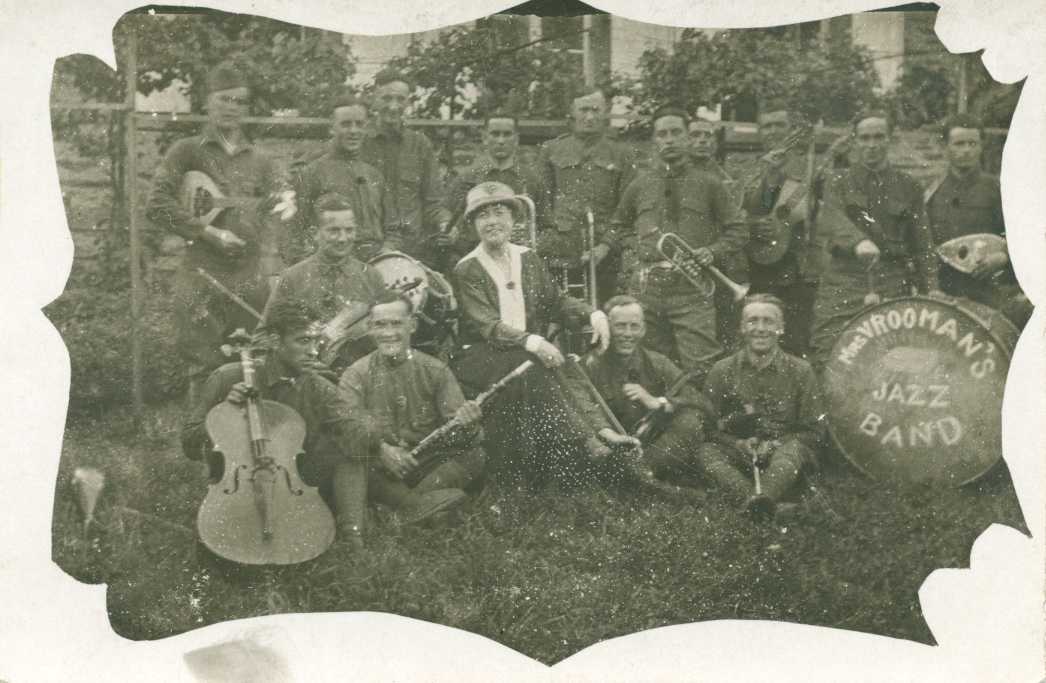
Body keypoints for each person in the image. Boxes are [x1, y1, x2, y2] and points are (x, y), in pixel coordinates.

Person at [451, 181, 613, 487]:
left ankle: (594, 440)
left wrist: (592, 313)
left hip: (523, 354)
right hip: (480, 355)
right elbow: (489, 326)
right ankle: (589, 439)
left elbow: (555, 301)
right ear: (473, 225)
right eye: (482, 216)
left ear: (513, 219)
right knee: (533, 364)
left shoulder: (527, 258)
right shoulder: (468, 268)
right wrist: (535, 342)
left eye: (499, 212)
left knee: (544, 365)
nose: (492, 222)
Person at [146, 62, 288, 398]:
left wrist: (271, 250)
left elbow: (280, 213)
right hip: (201, 275)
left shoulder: (263, 161)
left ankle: (247, 445)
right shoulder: (186, 152)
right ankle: (204, 443)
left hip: (249, 276)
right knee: (203, 366)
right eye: (224, 99)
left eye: (239, 101)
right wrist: (209, 234)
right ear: (207, 102)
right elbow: (156, 205)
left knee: (252, 364)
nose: (231, 108)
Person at [181, 298, 370, 546]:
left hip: (294, 483)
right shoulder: (228, 376)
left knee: (348, 451)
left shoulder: (317, 385)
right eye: (303, 341)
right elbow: (189, 444)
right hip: (239, 486)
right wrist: (224, 413)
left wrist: (345, 396)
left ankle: (352, 538)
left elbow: (355, 435)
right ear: (273, 341)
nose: (314, 351)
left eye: (316, 341)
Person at [612, 105, 748, 377]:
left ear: (687, 137)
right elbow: (618, 226)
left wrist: (713, 251)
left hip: (691, 291)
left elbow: (738, 230)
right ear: (654, 140)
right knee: (648, 365)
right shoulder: (640, 184)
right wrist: (636, 245)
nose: (670, 139)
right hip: (646, 289)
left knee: (701, 366)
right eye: (662, 134)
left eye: (676, 132)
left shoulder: (710, 184)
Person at [338, 290, 486, 524]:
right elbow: (347, 428)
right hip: (381, 467)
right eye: (380, 325)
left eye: (397, 324)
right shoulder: (355, 374)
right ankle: (420, 509)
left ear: (413, 325)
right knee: (351, 462)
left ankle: (398, 509)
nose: (388, 333)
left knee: (475, 456)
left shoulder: (436, 370)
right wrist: (381, 450)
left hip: (425, 466)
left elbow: (460, 434)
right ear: (369, 328)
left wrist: (469, 423)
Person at [811, 111, 942, 364]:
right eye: (865, 138)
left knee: (889, 355)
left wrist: (932, 287)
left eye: (878, 137)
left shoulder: (908, 186)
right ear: (855, 141)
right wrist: (857, 241)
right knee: (829, 348)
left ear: (889, 140)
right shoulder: (838, 182)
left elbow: (922, 243)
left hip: (891, 280)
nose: (872, 145)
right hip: (844, 280)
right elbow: (830, 217)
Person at [698, 294, 826, 521]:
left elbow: (814, 431)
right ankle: (761, 503)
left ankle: (760, 499)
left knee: (793, 451)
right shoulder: (722, 370)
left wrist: (776, 444)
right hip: (741, 455)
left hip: (784, 456)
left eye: (769, 321)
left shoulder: (801, 371)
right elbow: (708, 428)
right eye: (753, 321)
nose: (760, 328)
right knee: (706, 452)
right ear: (742, 327)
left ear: (781, 328)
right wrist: (737, 443)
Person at [574, 295, 708, 487]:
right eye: (620, 326)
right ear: (607, 328)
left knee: (690, 421)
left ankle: (638, 475)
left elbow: (700, 402)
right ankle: (642, 480)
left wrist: (660, 402)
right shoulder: (589, 366)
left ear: (643, 330)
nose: (628, 333)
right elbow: (580, 412)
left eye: (634, 326)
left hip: (650, 448)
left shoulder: (656, 362)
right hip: (609, 448)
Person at [260, 194, 386, 373]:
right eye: (334, 230)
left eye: (349, 230)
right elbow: (263, 336)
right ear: (315, 234)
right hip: (306, 376)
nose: (343, 238)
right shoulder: (293, 277)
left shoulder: (371, 277)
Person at [925, 113, 1030, 327]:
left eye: (972, 143)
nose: (966, 150)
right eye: (959, 143)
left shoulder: (1000, 189)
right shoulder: (932, 192)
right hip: (947, 293)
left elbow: (1027, 234)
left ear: (981, 146)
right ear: (945, 147)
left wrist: (1003, 256)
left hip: (993, 292)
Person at [536, 87, 636, 306]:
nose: (589, 117)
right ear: (572, 114)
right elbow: (543, 203)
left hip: (605, 251)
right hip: (561, 251)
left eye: (595, 110)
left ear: (605, 113)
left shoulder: (622, 153)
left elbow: (627, 209)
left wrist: (606, 246)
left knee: (606, 314)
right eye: (583, 110)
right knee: (561, 314)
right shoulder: (552, 150)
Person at [741, 107, 825, 359]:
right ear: (759, 133)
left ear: (791, 129)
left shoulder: (809, 168)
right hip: (761, 264)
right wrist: (753, 225)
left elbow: (822, 213)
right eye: (767, 126)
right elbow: (743, 211)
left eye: (779, 125)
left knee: (797, 339)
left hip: (799, 267)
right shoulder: (749, 170)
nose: (774, 131)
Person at [359, 68, 453, 269]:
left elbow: (433, 202)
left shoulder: (420, 145)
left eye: (400, 99)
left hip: (414, 251)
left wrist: (447, 224)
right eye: (387, 98)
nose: (394, 106)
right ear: (374, 99)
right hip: (368, 251)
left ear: (408, 103)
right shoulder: (358, 143)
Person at [288, 95, 388, 264]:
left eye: (359, 124)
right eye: (346, 124)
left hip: (375, 265)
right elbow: (295, 233)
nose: (353, 131)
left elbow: (392, 226)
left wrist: (388, 250)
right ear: (332, 127)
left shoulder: (374, 174)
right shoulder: (312, 172)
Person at [444, 111, 550, 256]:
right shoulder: (466, 178)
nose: (501, 140)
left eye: (507, 134)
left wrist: (533, 241)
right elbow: (448, 221)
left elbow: (548, 226)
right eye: (495, 134)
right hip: (476, 260)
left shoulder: (532, 179)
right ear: (484, 138)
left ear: (516, 139)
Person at [689, 117, 745, 350]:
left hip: (715, 263)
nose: (702, 140)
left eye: (707, 135)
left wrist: (715, 251)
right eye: (695, 135)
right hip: (682, 260)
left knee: (721, 329)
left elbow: (735, 227)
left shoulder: (724, 180)